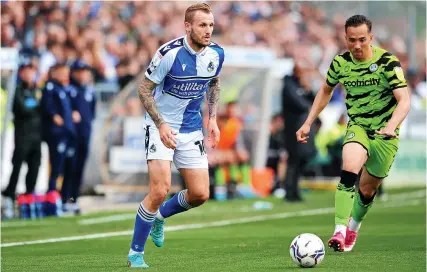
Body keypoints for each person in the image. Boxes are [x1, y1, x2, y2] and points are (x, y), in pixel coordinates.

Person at [296, 15, 410, 252]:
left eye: (361, 40)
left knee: (367, 190)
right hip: (358, 126)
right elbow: (325, 91)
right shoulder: (340, 63)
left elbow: (404, 100)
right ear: (345, 38)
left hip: (385, 133)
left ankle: (353, 227)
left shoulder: (388, 62)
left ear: (371, 37)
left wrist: (390, 127)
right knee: (349, 169)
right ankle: (338, 230)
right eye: (351, 40)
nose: (356, 46)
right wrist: (308, 122)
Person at [127, 3, 224, 268]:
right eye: (202, 25)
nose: (208, 30)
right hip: (161, 125)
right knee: (160, 190)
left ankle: (160, 217)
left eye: (211, 25)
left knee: (200, 194)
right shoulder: (168, 53)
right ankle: (135, 253)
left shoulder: (216, 53)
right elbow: (144, 90)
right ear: (188, 26)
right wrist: (160, 124)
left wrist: (212, 119)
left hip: (192, 127)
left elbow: (213, 82)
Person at [2, 61, 42, 218]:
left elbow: (41, 108)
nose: (29, 75)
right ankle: (9, 197)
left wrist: (35, 107)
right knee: (17, 167)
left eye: (31, 71)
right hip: (22, 135)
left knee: (34, 168)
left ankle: (28, 198)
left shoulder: (37, 90)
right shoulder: (17, 90)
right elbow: (23, 109)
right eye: (26, 71)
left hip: (36, 136)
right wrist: (36, 107)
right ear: (21, 73)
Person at [41, 63, 80, 216]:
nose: (65, 75)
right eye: (62, 72)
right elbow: (48, 107)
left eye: (66, 72)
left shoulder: (67, 90)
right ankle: (51, 199)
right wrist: (54, 116)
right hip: (57, 134)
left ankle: (65, 200)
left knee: (69, 168)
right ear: (54, 73)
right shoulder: (50, 88)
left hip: (69, 133)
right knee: (56, 167)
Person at [64, 60, 96, 214]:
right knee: (70, 167)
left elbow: (92, 113)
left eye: (85, 71)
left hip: (85, 134)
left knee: (80, 168)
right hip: (72, 135)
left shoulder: (89, 91)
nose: (84, 74)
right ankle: (65, 198)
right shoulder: (69, 90)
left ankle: (74, 199)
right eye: (81, 71)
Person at [282, 60, 316, 202]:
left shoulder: (301, 85)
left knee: (304, 158)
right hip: (293, 129)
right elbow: (301, 104)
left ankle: (294, 190)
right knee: (294, 160)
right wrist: (308, 105)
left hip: (304, 129)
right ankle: (290, 192)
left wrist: (308, 89)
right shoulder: (288, 85)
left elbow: (314, 101)